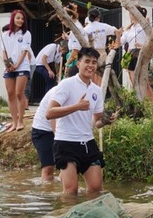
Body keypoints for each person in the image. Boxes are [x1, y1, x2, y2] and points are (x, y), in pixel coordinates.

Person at [46, 47, 113, 194]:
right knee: (71, 191)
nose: (91, 65)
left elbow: (97, 122)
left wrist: (106, 121)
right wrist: (76, 106)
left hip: (88, 142)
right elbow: (49, 113)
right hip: (65, 142)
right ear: (78, 64)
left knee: (96, 188)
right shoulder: (66, 84)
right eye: (87, 61)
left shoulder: (96, 90)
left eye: (94, 62)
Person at [32, 66, 79, 182]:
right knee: (48, 168)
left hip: (62, 130)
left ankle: (61, 191)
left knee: (66, 166)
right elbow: (53, 118)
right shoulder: (60, 90)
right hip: (43, 131)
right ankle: (47, 195)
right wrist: (59, 139)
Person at [1, 9, 31, 132]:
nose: (20, 21)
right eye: (18, 18)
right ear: (13, 18)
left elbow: (25, 51)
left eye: (22, 19)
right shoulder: (5, 35)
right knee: (10, 94)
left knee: (19, 93)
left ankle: (20, 121)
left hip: (22, 66)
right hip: (9, 67)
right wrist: (7, 64)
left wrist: (17, 65)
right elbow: (4, 52)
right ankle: (13, 122)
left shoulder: (26, 34)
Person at [120, 6, 153, 99]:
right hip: (131, 55)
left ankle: (151, 103)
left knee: (144, 81)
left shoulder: (144, 25)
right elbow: (122, 42)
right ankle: (139, 102)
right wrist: (118, 34)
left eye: (131, 13)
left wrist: (143, 46)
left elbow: (152, 40)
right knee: (134, 81)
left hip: (141, 54)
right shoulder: (129, 29)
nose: (130, 15)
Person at [83, 7, 121, 86]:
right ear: (98, 17)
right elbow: (117, 31)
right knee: (101, 75)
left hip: (90, 53)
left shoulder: (86, 29)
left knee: (91, 74)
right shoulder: (104, 26)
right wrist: (117, 43)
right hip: (102, 52)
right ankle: (100, 93)